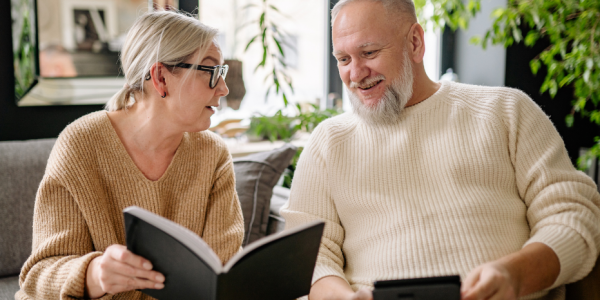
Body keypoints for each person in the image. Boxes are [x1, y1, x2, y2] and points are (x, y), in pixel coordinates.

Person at [280, 1, 600, 300]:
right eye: (344, 59)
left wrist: (514, 275)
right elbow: (307, 258)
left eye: (369, 52)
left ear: (416, 42)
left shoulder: (506, 110)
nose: (355, 73)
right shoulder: (328, 142)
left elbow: (572, 215)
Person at [17, 10, 244, 300]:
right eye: (212, 72)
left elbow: (221, 273)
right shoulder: (81, 144)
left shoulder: (213, 155)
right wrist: (95, 273)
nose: (223, 89)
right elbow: (39, 276)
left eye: (221, 73)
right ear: (161, 77)